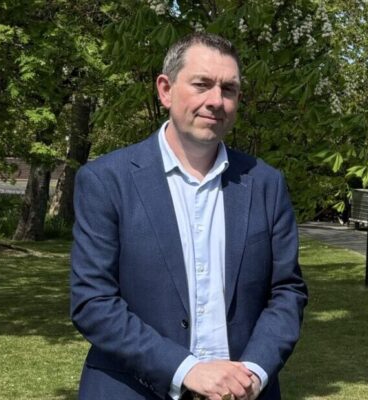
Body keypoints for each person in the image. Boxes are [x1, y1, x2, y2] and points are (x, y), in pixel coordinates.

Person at [70, 32, 308, 400]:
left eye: (228, 89)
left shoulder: (265, 183)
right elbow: (94, 302)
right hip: (133, 390)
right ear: (165, 90)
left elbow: (287, 293)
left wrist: (254, 374)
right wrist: (187, 371)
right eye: (202, 85)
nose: (216, 101)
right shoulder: (106, 181)